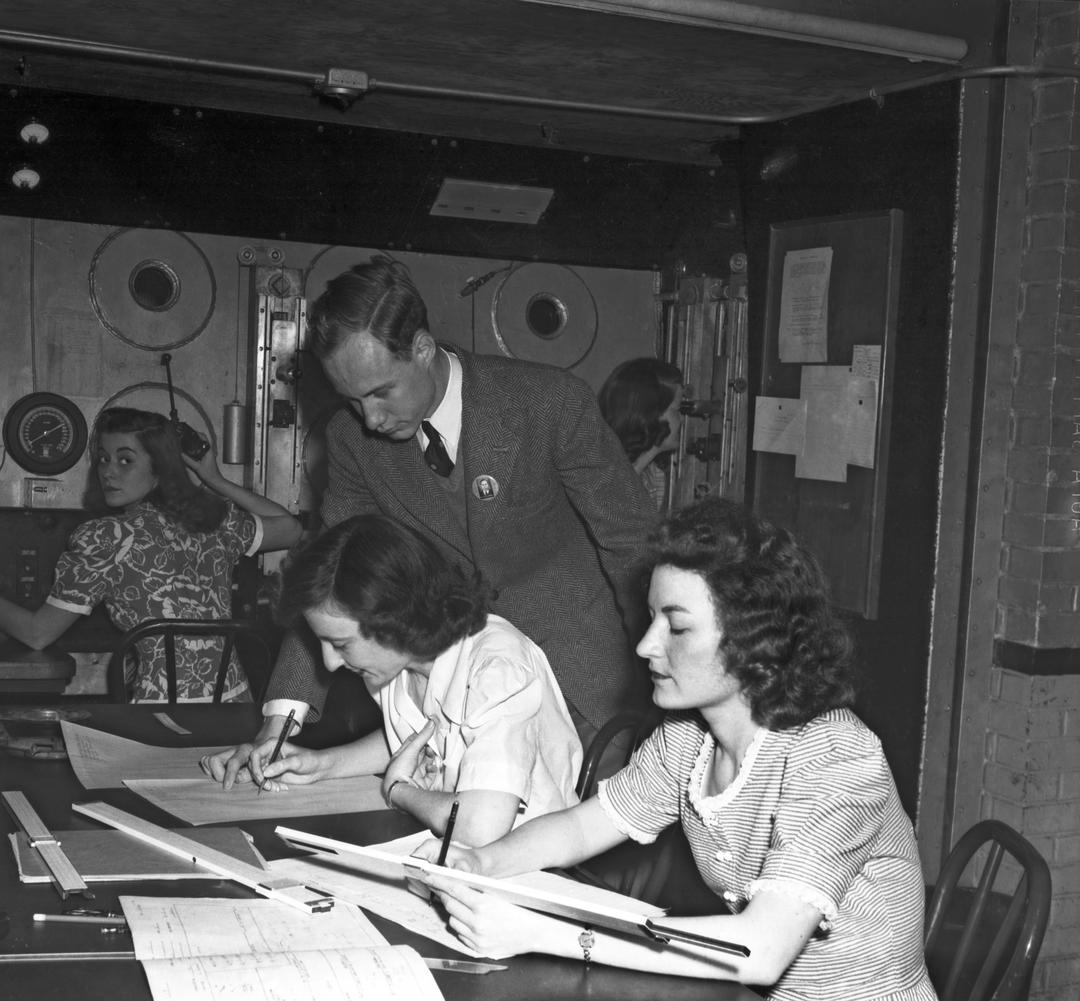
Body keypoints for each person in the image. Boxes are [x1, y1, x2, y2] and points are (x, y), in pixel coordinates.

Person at [417, 498, 937, 1001]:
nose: (646, 644)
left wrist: (540, 934)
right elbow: (583, 826)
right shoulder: (689, 735)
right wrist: (478, 863)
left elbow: (759, 949)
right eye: (651, 619)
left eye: (678, 626)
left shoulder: (837, 756)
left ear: (756, 639)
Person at [215, 255, 655, 784]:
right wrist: (278, 725)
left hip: (585, 682)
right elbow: (328, 579)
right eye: (352, 401)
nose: (371, 420)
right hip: (452, 704)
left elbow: (634, 548)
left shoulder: (547, 402)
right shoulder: (353, 443)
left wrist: (662, 682)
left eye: (381, 392)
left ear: (423, 348)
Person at [205, 514, 581, 846]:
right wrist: (323, 764)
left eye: (340, 644)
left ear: (395, 618)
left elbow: (479, 825)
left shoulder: (499, 668)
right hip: (455, 849)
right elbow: (418, 741)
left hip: (528, 863)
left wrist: (398, 790)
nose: (330, 663)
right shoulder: (397, 664)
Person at [0, 407, 302, 702]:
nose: (108, 471)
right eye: (103, 458)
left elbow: (37, 634)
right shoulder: (214, 522)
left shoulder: (108, 537)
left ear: (159, 469)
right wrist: (213, 479)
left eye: (125, 459)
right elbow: (290, 526)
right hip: (233, 704)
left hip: (160, 713)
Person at [598, 357, 685, 514]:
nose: (681, 419)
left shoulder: (654, 476)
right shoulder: (605, 480)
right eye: (676, 410)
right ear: (649, 415)